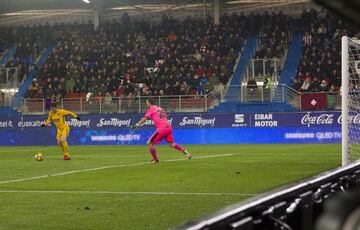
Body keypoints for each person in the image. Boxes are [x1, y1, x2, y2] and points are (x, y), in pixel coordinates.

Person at [131, 98, 191, 163]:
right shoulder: (160, 108)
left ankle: (155, 160)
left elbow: (144, 119)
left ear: (149, 103)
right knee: (171, 144)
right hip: (168, 127)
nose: (146, 104)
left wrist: (136, 125)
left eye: (147, 102)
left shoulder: (151, 109)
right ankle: (185, 152)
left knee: (149, 143)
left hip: (162, 128)